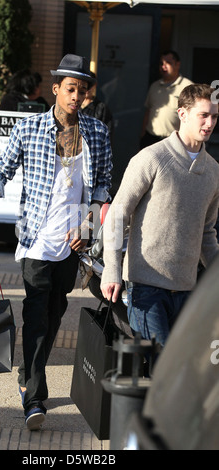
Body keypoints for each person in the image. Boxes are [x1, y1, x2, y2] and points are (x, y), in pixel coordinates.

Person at [0, 54, 113, 430]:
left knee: (55, 313)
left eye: (82, 91)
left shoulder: (97, 133)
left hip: (75, 240)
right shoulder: (30, 128)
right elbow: (0, 169)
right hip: (36, 238)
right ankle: (35, 399)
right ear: (56, 89)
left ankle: (27, 373)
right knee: (36, 316)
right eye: (71, 89)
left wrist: (88, 222)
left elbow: (103, 184)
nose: (77, 96)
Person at [101, 83, 219, 348]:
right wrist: (112, 270)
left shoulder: (213, 172)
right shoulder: (151, 158)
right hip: (146, 287)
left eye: (214, 116)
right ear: (183, 113)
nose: (210, 123)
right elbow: (117, 215)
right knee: (159, 367)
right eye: (204, 115)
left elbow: (207, 233)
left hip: (187, 289)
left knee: (171, 375)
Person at [140, 50, 193, 148]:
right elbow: (148, 111)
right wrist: (143, 134)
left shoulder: (188, 87)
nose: (163, 66)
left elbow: (193, 116)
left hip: (173, 141)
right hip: (150, 139)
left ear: (177, 64)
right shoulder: (155, 86)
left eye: (168, 63)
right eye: (161, 63)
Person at [81, 71, 113, 139]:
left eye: (90, 85)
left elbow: (107, 134)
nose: (87, 89)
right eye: (85, 85)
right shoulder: (73, 106)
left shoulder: (101, 108)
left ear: (95, 85)